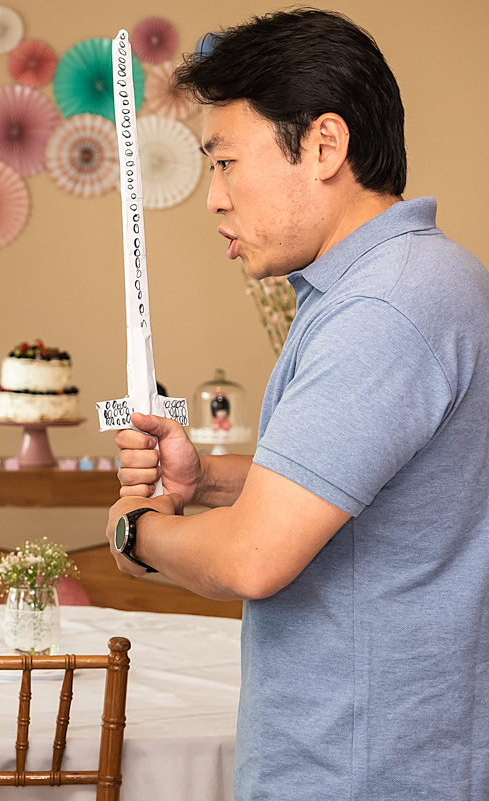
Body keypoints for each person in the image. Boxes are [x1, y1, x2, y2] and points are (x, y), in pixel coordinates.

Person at [108, 9, 489, 800]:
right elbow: (356, 493)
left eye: (225, 162)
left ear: (324, 145)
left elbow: (254, 557)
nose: (213, 198)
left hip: (362, 768)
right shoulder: (412, 281)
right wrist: (206, 476)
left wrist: (135, 531)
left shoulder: (385, 307)